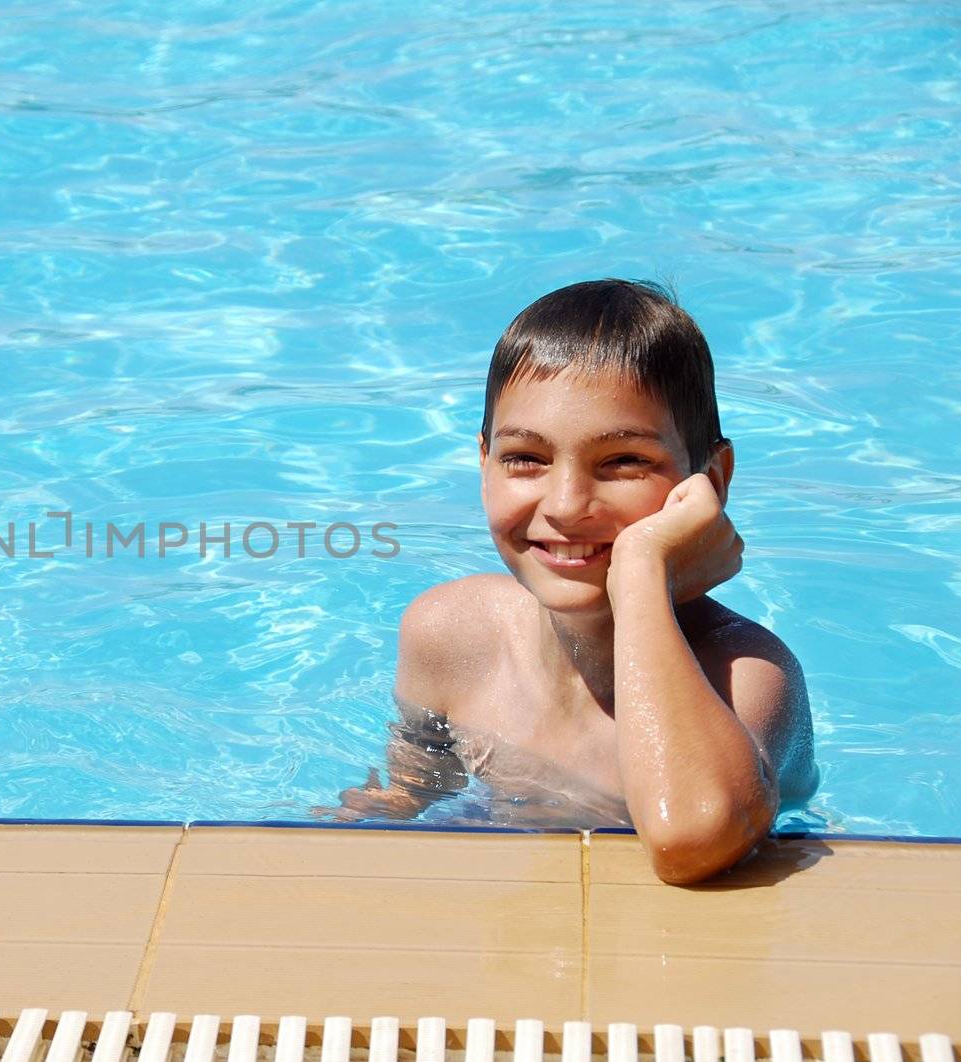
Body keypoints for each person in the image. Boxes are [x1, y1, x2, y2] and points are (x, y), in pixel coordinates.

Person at [327, 280, 818, 884]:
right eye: (525, 459)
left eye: (624, 462)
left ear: (711, 481)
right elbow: (414, 787)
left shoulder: (748, 676)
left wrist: (641, 572)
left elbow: (692, 840)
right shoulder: (450, 634)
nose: (565, 505)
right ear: (483, 463)